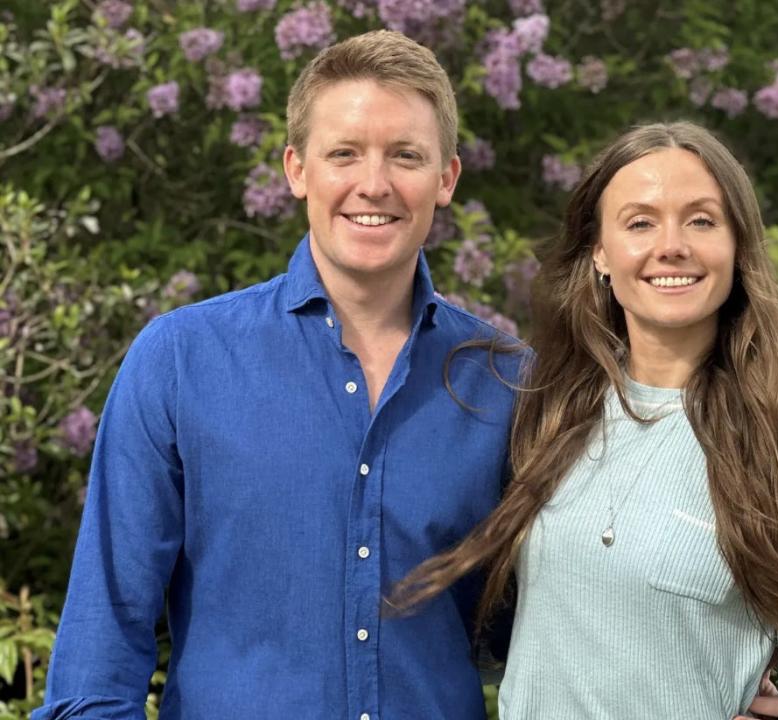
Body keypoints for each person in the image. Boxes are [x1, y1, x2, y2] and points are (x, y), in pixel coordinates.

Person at [32, 30, 521, 720]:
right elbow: (100, 650)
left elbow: (563, 622)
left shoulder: (505, 384)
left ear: (446, 179)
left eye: (405, 156)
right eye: (343, 153)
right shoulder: (180, 361)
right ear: (296, 169)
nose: (373, 184)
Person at [391, 122, 778, 719]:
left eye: (701, 220)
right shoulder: (545, 405)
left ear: (738, 245)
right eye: (640, 222)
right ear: (600, 253)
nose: (672, 245)